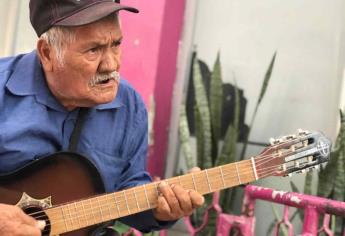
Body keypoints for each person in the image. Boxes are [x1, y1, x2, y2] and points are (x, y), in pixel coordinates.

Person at [0, 0, 204, 235]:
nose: (111, 64)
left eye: (116, 44)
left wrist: (161, 209)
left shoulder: (129, 106)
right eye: (93, 50)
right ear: (47, 53)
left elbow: (128, 186)